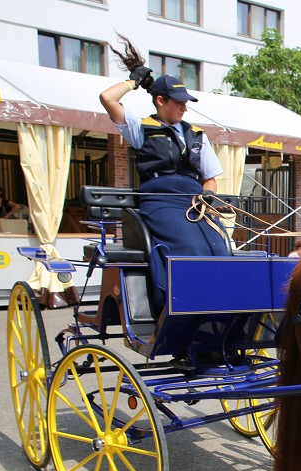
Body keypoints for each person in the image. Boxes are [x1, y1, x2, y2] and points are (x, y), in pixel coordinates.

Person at [101, 36, 227, 307]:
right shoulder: (140, 128)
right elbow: (107, 98)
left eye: (185, 102)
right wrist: (133, 82)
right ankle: (180, 304)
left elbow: (210, 178)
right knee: (191, 248)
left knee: (219, 246)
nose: (184, 106)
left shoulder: (197, 134)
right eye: (178, 102)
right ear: (160, 100)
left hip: (194, 202)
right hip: (159, 201)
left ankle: (216, 307)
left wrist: (207, 196)